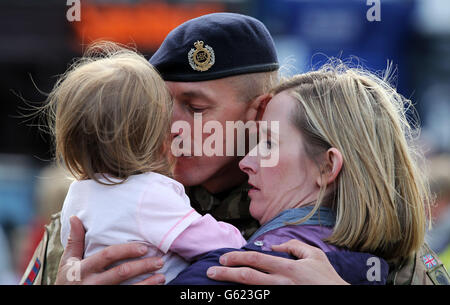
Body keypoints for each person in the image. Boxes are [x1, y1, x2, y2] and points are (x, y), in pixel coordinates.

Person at [21, 13, 449, 285]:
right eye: (160, 106)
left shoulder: (342, 214)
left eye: (195, 107)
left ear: (258, 110)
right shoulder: (97, 203)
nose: (169, 127)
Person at [169, 63, 441, 284]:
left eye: (268, 144)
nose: (246, 161)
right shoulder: (390, 259)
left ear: (327, 167)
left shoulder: (260, 265)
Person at [43, 42, 247, 285]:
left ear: (257, 111)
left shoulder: (76, 196)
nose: (176, 127)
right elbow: (230, 246)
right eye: (164, 114)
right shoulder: (151, 194)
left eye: (196, 108)